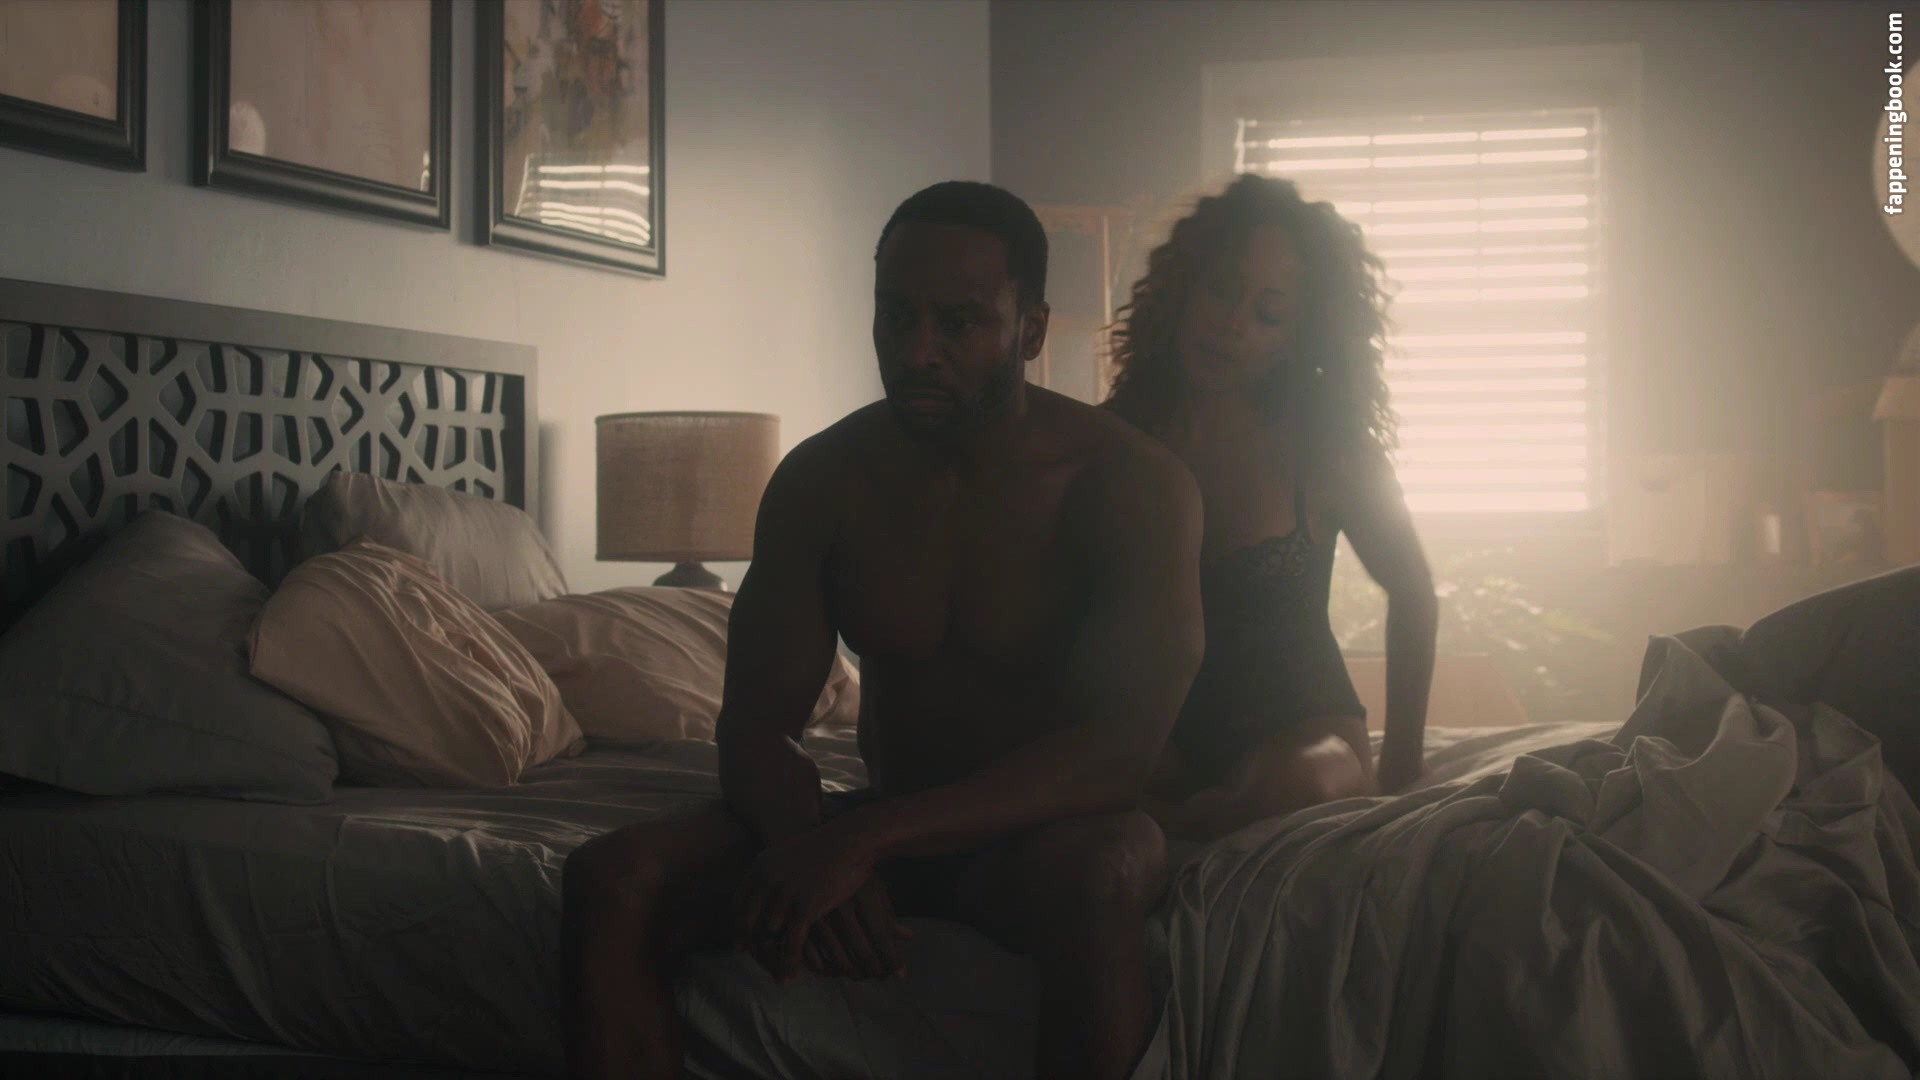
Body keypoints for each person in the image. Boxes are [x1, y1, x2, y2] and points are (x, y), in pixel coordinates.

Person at [560, 181, 1206, 1080]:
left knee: (1111, 871)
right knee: (610, 880)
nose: (916, 351)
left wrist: (861, 843)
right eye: (895, 316)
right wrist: (808, 842)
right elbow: (755, 726)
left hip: (1044, 837)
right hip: (886, 824)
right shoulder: (823, 482)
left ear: (1030, 330)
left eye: (958, 323)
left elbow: (1118, 757)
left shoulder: (1131, 484)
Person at [1103, 173, 1438, 844]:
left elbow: (1414, 594)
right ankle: (1184, 821)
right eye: (1221, 290)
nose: (1232, 324)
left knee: (1296, 784)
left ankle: (1185, 827)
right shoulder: (1113, 441)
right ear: (1183, 286)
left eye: (1269, 314)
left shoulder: (1330, 451)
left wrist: (1402, 770)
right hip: (1161, 743)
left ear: (1298, 336)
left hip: (1303, 738)